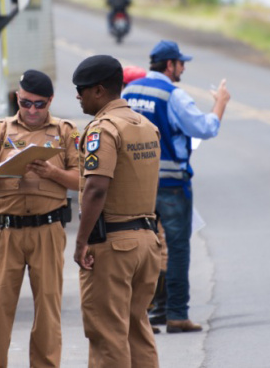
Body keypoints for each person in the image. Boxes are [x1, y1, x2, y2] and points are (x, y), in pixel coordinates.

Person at [0, 69, 80, 368]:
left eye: (39, 104)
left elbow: (84, 179)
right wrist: (5, 165)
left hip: (48, 229)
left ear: (51, 101)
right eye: (26, 103)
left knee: (48, 310)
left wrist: (53, 173)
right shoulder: (0, 130)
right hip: (6, 231)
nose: (32, 110)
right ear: (17, 98)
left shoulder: (66, 131)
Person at [121, 40, 230, 333]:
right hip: (170, 185)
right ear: (170, 65)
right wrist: (220, 104)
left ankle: (138, 317)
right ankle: (177, 315)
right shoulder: (173, 95)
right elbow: (205, 128)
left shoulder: (129, 91)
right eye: (181, 63)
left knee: (138, 250)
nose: (182, 68)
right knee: (178, 248)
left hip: (135, 185)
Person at [72, 55, 162, 368]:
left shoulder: (103, 130)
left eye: (81, 89)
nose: (77, 96)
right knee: (138, 329)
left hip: (113, 245)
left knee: (107, 334)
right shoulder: (146, 126)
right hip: (147, 242)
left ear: (98, 91)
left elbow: (96, 188)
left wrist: (81, 241)